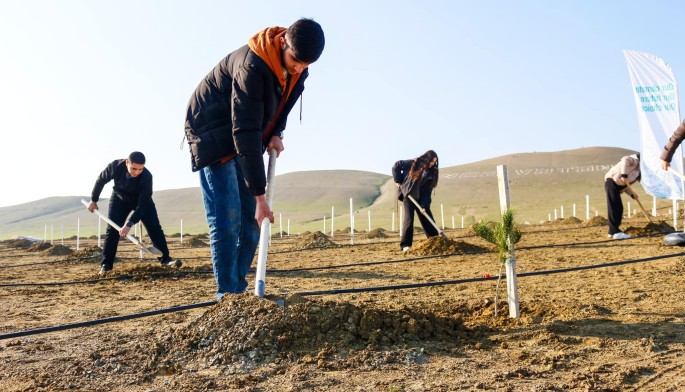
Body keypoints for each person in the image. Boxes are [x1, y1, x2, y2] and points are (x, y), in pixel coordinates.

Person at [183, 18, 325, 299]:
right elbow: (245, 131)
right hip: (212, 132)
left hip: (245, 132)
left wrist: (277, 132)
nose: (299, 68)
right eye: (296, 61)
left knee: (251, 221)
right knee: (227, 219)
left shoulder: (299, 67)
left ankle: (238, 288)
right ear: (283, 42)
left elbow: (285, 103)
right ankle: (228, 294)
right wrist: (260, 197)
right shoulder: (252, 66)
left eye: (306, 65)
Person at [87, 151, 182, 275]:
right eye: (134, 168)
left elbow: (142, 206)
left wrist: (129, 224)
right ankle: (106, 265)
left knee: (154, 227)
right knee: (112, 230)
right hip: (119, 199)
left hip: (140, 201)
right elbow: (101, 180)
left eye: (140, 169)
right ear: (127, 162)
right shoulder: (115, 166)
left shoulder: (147, 177)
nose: (136, 172)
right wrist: (94, 200)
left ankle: (166, 260)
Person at [392, 150, 440, 251]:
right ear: (427, 159)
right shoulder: (413, 163)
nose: (432, 164)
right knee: (409, 220)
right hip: (408, 196)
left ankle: (435, 240)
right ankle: (405, 245)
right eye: (431, 161)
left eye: (434, 162)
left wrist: (424, 205)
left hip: (420, 198)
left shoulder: (432, 173)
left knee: (427, 217)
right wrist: (398, 181)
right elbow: (396, 166)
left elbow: (427, 192)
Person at [604, 153, 641, 240]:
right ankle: (616, 232)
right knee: (614, 207)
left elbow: (625, 185)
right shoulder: (635, 161)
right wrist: (624, 175)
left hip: (617, 186)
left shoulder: (637, 171)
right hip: (611, 182)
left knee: (619, 208)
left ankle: (612, 232)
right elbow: (625, 159)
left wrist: (632, 194)